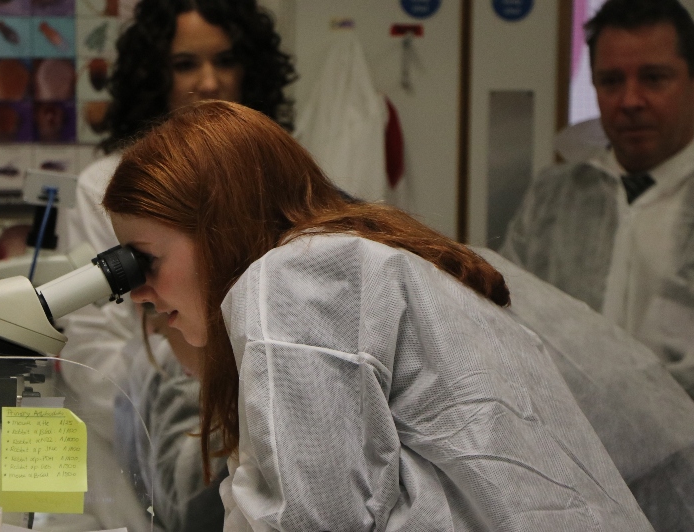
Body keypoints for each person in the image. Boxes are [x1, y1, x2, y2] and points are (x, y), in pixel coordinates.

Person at [101, 99, 653, 531]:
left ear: (219, 226)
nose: (140, 293)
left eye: (145, 261)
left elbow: (312, 522)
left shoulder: (292, 278)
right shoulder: (349, 261)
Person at [54, 1, 296, 529]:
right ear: (154, 74)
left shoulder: (274, 173)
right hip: (146, 455)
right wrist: (189, 430)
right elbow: (98, 356)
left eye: (225, 60)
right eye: (186, 63)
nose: (209, 81)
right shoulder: (109, 189)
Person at [501, 0, 694, 396]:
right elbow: (505, 322)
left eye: (655, 78)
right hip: (566, 445)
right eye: (610, 81)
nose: (630, 101)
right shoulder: (553, 198)